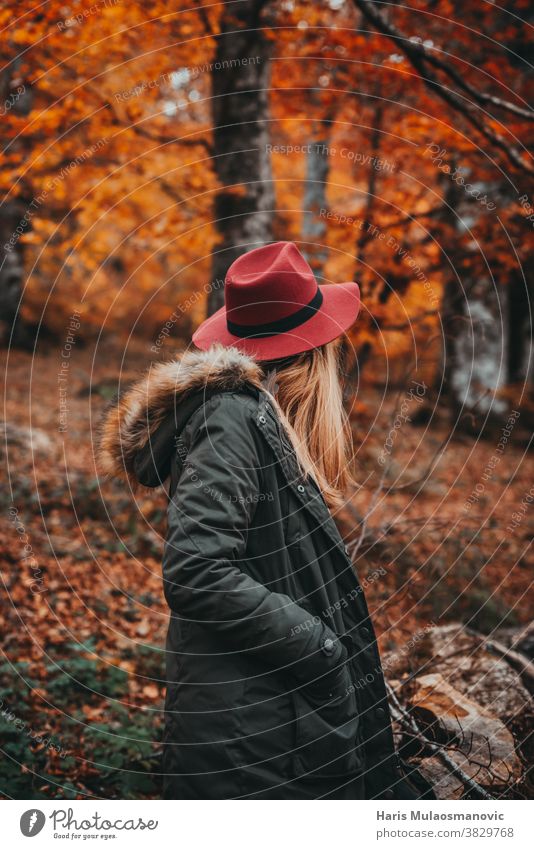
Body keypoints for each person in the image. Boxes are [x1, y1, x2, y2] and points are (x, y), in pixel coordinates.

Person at [99, 241, 434, 800]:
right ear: (310, 353)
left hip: (271, 723)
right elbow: (196, 570)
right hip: (252, 739)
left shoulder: (260, 420)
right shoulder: (230, 420)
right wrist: (323, 650)